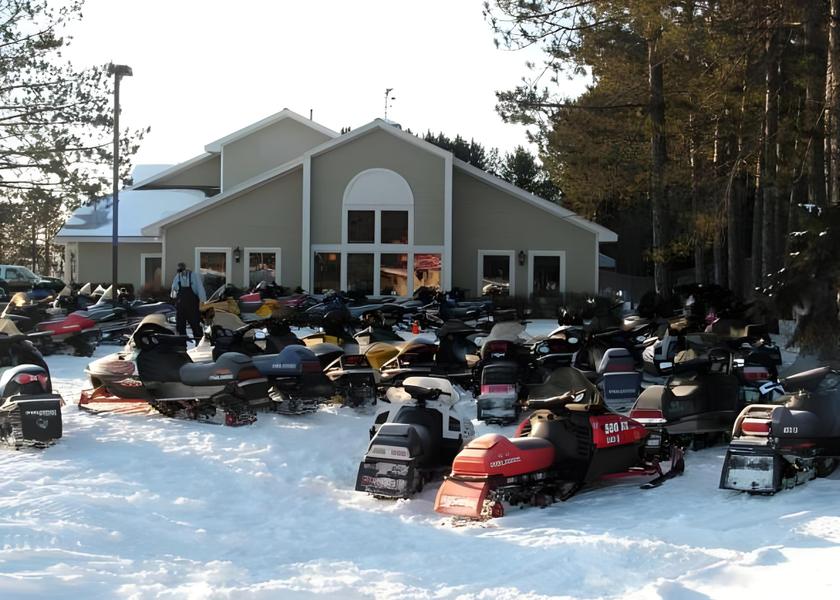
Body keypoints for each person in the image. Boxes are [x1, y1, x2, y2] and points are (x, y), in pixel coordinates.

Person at [170, 262, 206, 341]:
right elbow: (173, 292)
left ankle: (199, 342)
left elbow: (200, 288)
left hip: (192, 306)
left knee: (195, 325)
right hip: (181, 307)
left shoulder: (194, 276)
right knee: (180, 326)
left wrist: (202, 301)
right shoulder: (178, 277)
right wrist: (174, 295)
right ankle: (182, 344)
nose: (182, 273)